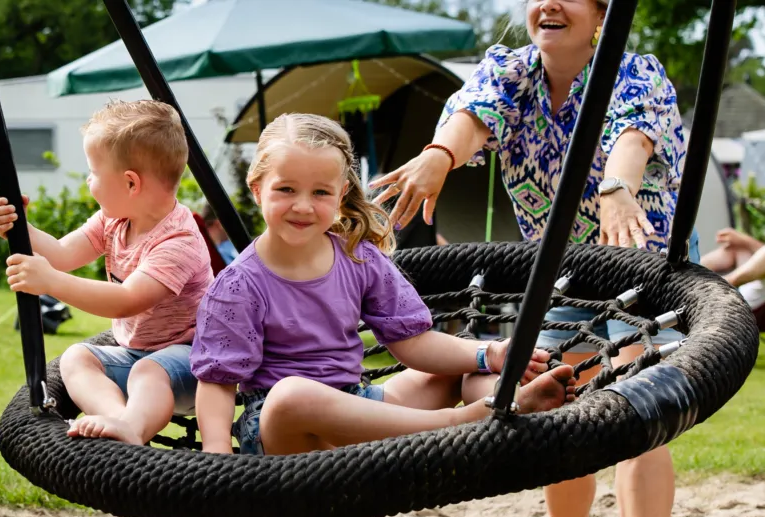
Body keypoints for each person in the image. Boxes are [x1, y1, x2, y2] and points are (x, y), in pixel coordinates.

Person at [366, 0, 691, 517]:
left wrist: (617, 188)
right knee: (561, 404)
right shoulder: (511, 72)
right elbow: (472, 114)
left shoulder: (635, 71)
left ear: (602, 14)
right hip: (567, 276)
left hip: (646, 267)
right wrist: (439, 156)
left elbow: (631, 135)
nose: (548, 2)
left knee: (636, 410)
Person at [189, 113, 576, 457]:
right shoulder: (238, 285)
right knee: (291, 394)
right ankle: (461, 425)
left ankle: (504, 410)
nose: (303, 206)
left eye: (320, 192)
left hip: (360, 411)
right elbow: (217, 383)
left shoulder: (358, 257)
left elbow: (413, 343)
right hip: (285, 431)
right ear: (257, 189)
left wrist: (487, 354)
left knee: (456, 367)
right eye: (286, 189)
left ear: (341, 195)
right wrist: (217, 453)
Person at [0, 99, 213, 446]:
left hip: (193, 361)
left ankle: (133, 429)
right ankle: (117, 419)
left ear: (130, 184)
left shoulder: (179, 241)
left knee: (149, 372)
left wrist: (50, 281)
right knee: (77, 358)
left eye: (93, 172)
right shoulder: (114, 219)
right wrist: (22, 229)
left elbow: (125, 301)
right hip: (138, 354)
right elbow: (62, 254)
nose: (89, 181)